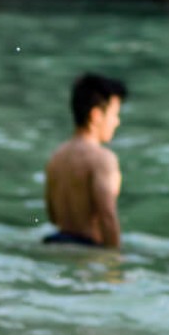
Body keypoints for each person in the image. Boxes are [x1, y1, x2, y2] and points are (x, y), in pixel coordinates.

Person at [41, 73, 126, 249]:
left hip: (55, 243)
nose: (117, 122)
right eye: (114, 114)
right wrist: (114, 263)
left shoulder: (56, 157)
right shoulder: (103, 159)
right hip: (88, 251)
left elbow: (53, 216)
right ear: (96, 115)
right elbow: (107, 216)